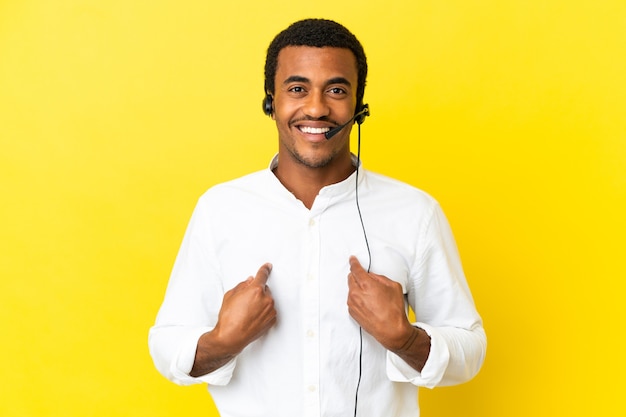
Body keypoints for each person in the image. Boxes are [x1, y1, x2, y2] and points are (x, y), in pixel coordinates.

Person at [149, 18, 486, 417]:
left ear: (359, 105)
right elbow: (167, 346)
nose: (316, 108)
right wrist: (224, 341)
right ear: (270, 101)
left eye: (337, 90)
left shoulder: (415, 212)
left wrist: (404, 338)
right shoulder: (219, 209)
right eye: (297, 89)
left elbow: (471, 349)